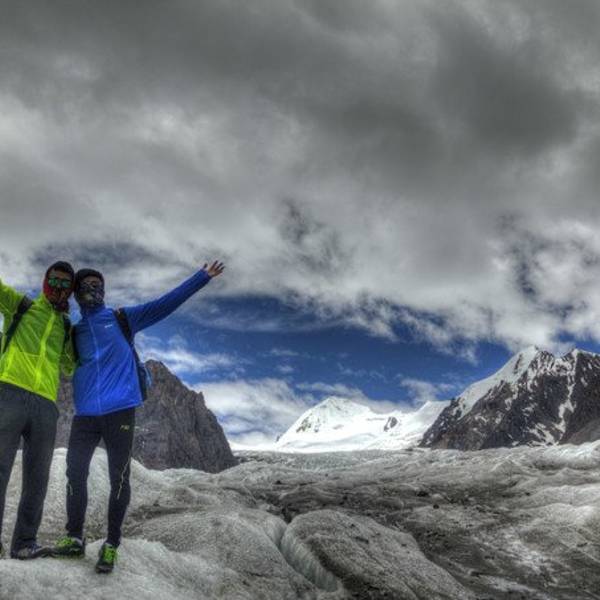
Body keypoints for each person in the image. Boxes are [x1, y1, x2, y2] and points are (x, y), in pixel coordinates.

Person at [51, 260, 225, 573]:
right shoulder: (75, 332)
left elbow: (164, 305)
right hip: (85, 415)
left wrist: (202, 277)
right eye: (86, 287)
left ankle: (111, 544)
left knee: (119, 477)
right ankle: (74, 537)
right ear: (77, 294)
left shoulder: (122, 319)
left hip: (120, 410)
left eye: (97, 286)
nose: (93, 291)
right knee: (74, 474)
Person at [0, 261, 75, 560]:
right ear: (45, 281)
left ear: (70, 290)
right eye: (53, 281)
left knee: (38, 478)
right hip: (9, 391)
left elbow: (70, 366)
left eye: (64, 284)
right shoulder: (21, 306)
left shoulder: (66, 328)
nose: (58, 287)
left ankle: (24, 543)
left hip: (45, 404)